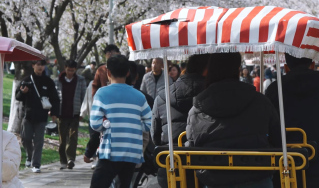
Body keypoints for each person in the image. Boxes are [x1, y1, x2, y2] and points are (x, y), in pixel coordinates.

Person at [187, 52, 282, 187]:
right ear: (237, 69)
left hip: (214, 181)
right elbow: (278, 139)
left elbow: (192, 148)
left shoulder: (196, 109)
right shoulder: (261, 102)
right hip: (258, 179)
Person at [265, 54, 319, 188]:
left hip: (284, 163)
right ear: (312, 65)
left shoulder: (274, 89)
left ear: (286, 67)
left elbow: (267, 124)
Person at [89, 54, 152, 188]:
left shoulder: (101, 93)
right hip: (132, 152)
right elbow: (148, 123)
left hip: (111, 151)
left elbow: (95, 123)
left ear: (108, 72)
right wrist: (133, 125)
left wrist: (107, 124)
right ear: (128, 72)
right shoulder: (140, 96)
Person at [153, 54, 209, 188]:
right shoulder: (213, 95)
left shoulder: (162, 95)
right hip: (206, 167)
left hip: (171, 166)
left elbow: (155, 134)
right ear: (207, 70)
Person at [14, 59, 60, 173]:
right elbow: (17, 96)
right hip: (28, 115)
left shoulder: (48, 82)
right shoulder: (26, 80)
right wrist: (22, 92)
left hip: (42, 116)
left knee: (39, 141)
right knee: (26, 138)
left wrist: (54, 113)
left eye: (42, 65)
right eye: (38, 65)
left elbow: (55, 99)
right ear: (33, 65)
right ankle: (30, 156)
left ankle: (36, 164)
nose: (40, 67)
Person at [84, 43, 119, 165]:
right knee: (99, 131)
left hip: (119, 105)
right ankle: (94, 154)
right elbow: (95, 86)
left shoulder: (123, 67)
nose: (110, 55)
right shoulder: (101, 70)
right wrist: (97, 102)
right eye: (108, 53)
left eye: (113, 53)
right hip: (104, 106)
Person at [54, 60, 86, 170]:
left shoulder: (80, 80)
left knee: (73, 137)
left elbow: (83, 96)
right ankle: (63, 160)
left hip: (75, 113)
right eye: (68, 70)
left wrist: (83, 111)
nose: (70, 72)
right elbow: (54, 97)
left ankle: (71, 159)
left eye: (72, 71)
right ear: (65, 68)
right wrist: (54, 112)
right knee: (62, 139)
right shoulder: (58, 80)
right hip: (62, 113)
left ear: (75, 70)